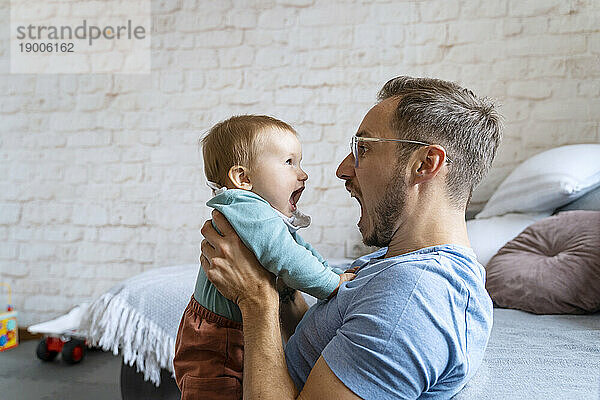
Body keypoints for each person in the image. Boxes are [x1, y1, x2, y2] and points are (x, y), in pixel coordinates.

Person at [199, 76, 503, 399]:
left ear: (425, 164)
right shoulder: (391, 262)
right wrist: (280, 285)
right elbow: (318, 344)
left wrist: (255, 299)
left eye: (365, 148)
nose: (343, 169)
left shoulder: (410, 301)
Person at [173, 115, 356, 399]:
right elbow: (284, 257)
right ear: (243, 178)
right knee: (215, 388)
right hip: (218, 334)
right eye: (289, 163)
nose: (302, 173)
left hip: (231, 328)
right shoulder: (246, 207)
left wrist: (329, 272)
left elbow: (297, 250)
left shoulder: (264, 214)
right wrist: (331, 284)